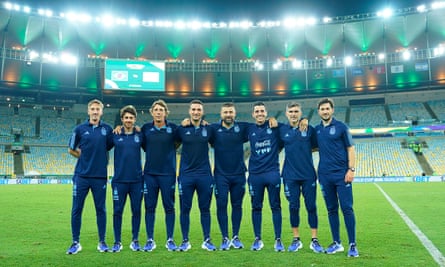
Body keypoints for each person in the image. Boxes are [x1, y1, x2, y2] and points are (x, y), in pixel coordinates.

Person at [66, 99, 113, 254]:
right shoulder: (79, 129)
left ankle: (102, 242)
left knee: (101, 209)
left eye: (97, 109)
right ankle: (75, 242)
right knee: (77, 209)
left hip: (99, 177)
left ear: (101, 112)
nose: (94, 112)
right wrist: (82, 157)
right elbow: (71, 149)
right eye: (92, 109)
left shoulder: (107, 129)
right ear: (88, 111)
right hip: (82, 176)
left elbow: (114, 143)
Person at [315, 98, 359, 257]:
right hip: (325, 176)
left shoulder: (341, 127)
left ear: (332, 110)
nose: (325, 111)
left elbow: (351, 149)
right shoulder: (317, 130)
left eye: (327, 108)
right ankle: (337, 243)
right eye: (322, 109)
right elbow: (310, 146)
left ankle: (352, 244)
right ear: (318, 111)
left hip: (342, 175)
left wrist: (351, 169)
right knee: (331, 209)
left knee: (347, 208)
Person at [278, 102, 324, 253]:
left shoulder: (309, 129)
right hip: (290, 176)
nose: (293, 114)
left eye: (296, 111)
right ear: (286, 113)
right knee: (293, 207)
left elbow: (317, 146)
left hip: (308, 175)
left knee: (311, 207)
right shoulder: (282, 129)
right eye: (290, 111)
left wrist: (305, 149)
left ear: (300, 113)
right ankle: (296, 239)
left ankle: (314, 240)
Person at [208, 102, 249, 250]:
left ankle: (236, 236)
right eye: (225, 112)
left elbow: (261, 125)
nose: (228, 115)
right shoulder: (213, 129)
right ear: (221, 114)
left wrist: (271, 120)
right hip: (221, 175)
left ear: (235, 113)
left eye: (231, 112)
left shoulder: (243, 128)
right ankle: (225, 237)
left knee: (237, 205)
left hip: (238, 174)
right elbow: (200, 131)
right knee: (221, 204)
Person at [140, 99, 180, 252]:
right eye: (155, 109)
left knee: (169, 207)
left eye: (161, 110)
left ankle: (170, 239)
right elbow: (144, 146)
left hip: (168, 174)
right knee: (150, 208)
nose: (158, 112)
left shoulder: (173, 129)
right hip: (150, 175)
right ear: (152, 112)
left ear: (165, 112)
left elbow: (178, 143)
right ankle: (150, 240)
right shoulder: (145, 129)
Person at [176, 99, 216, 252]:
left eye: (198, 109)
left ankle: (207, 239)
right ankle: (185, 241)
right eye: (193, 109)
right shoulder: (181, 129)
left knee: (205, 209)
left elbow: (216, 141)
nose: (196, 112)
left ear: (202, 111)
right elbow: (172, 143)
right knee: (185, 209)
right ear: (189, 111)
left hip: (204, 175)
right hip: (186, 175)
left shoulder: (209, 129)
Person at [247, 101, 284, 252]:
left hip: (272, 173)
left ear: (266, 113)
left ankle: (278, 239)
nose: (260, 113)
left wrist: (304, 121)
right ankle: (257, 239)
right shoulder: (248, 129)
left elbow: (292, 127)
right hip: (255, 175)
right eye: (257, 111)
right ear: (253, 114)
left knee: (275, 206)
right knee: (256, 207)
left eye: (262, 111)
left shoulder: (276, 127)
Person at [110, 105, 144, 253]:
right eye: (126, 118)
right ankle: (117, 242)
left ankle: (135, 240)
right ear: (122, 119)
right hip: (119, 181)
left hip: (137, 181)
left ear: (135, 119)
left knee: (136, 211)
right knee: (117, 211)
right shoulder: (115, 134)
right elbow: (101, 147)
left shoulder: (140, 135)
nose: (129, 120)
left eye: (131, 118)